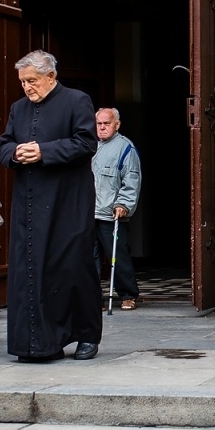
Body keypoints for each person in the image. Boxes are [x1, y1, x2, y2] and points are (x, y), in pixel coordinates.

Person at [0, 50, 102, 361]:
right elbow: (4, 145)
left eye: (32, 81)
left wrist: (44, 151)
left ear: (51, 77)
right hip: (29, 204)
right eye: (22, 82)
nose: (27, 87)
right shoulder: (18, 108)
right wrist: (15, 153)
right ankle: (39, 343)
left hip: (68, 201)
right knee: (30, 269)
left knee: (72, 266)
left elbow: (86, 143)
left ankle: (86, 336)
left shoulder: (76, 100)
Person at [92, 107, 142, 311]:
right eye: (99, 124)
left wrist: (123, 205)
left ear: (117, 125)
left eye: (107, 123)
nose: (102, 127)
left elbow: (131, 179)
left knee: (118, 256)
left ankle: (128, 295)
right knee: (89, 258)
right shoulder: (88, 145)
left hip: (111, 214)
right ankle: (94, 299)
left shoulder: (125, 147)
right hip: (88, 213)